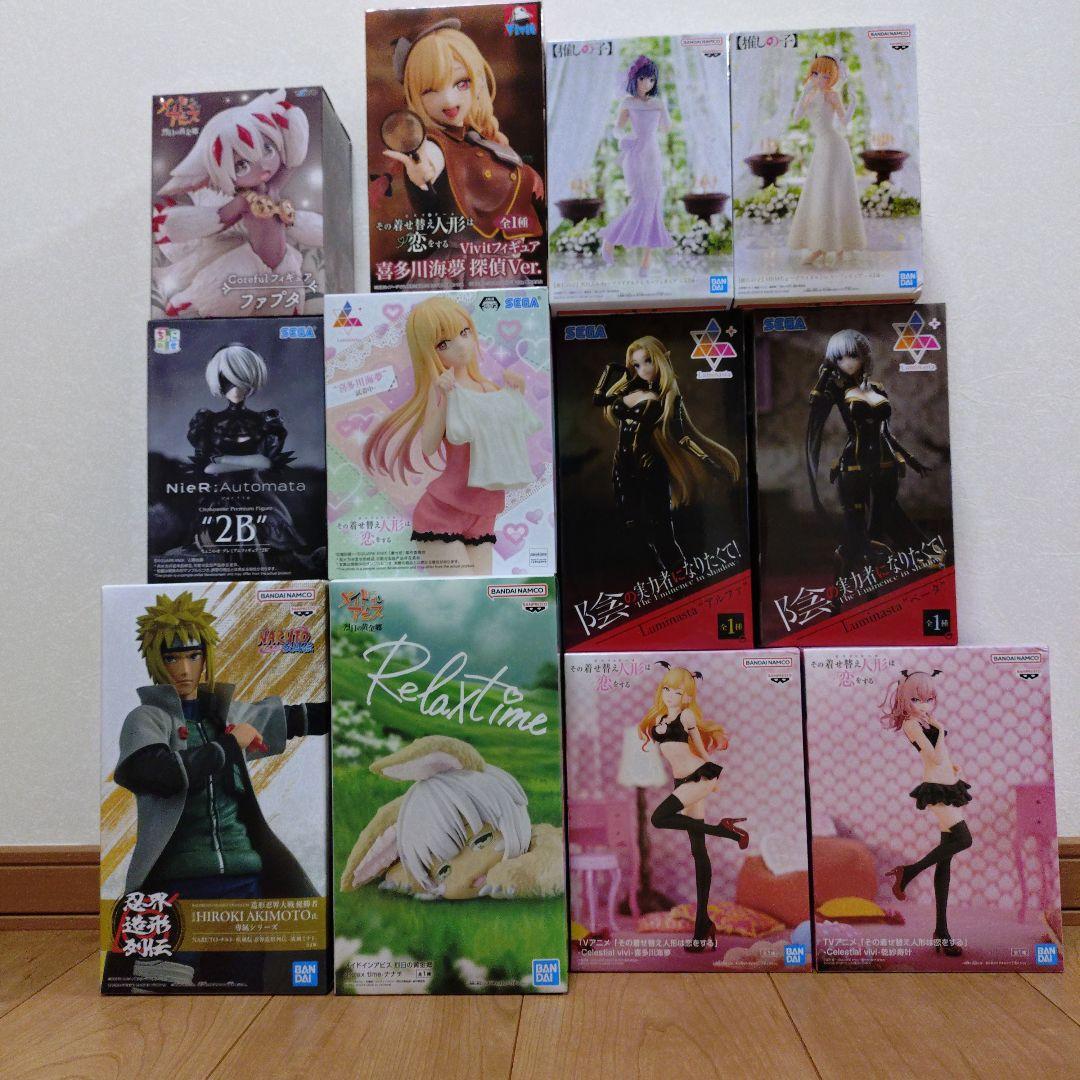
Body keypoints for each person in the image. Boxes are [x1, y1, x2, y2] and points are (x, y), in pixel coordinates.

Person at [104, 591, 328, 991]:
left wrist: (361, 703)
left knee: (241, 986)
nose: (184, 669)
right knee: (162, 990)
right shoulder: (146, 720)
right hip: (176, 887)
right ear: (155, 661)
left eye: (193, 656)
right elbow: (161, 773)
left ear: (205, 657)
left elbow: (295, 718)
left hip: (242, 881)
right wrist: (228, 746)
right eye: (172, 658)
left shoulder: (222, 717)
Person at [363, 296, 538, 575]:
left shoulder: (490, 388)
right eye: (443, 344)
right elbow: (429, 446)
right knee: (459, 593)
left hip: (485, 509)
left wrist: (518, 394)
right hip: (443, 509)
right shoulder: (442, 391)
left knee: (480, 593)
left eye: (464, 332)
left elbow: (512, 439)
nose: (461, 345)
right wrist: (445, 398)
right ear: (429, 352)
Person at [380, 20, 544, 259]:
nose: (449, 100)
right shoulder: (434, 143)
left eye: (461, 83)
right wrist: (423, 177)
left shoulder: (477, 138)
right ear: (415, 96)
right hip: (465, 263)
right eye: (430, 90)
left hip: (501, 263)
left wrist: (528, 176)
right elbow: (432, 160)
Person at [152, 89, 322, 317]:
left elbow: (291, 164)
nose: (262, 166)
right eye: (242, 166)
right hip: (249, 265)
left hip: (283, 263)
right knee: (219, 292)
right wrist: (177, 224)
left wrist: (294, 128)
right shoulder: (243, 201)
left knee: (289, 308)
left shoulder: (273, 189)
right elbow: (220, 218)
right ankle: (188, 300)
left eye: (268, 149)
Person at [593, 335, 739, 571]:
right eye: (636, 364)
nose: (643, 369)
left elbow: (682, 437)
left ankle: (678, 574)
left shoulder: (669, 397)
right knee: (630, 523)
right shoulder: (629, 389)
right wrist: (612, 369)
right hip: (622, 465)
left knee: (660, 526)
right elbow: (598, 398)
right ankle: (657, 575)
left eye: (648, 361)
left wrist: (708, 462)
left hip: (649, 466)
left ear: (660, 359)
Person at [640, 663, 749, 952]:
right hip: (682, 781)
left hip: (699, 775)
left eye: (677, 692)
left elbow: (699, 748)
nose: (670, 695)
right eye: (667, 688)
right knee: (698, 850)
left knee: (659, 818)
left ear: (687, 697)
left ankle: (724, 830)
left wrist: (713, 776)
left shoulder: (686, 715)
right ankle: (703, 925)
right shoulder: (658, 719)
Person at [806, 328, 934, 572]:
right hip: (854, 463)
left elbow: (886, 432)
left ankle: (879, 566)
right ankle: (852, 570)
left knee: (883, 518)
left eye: (853, 355)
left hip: (885, 461)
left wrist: (911, 459)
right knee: (855, 523)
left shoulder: (878, 387)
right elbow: (815, 403)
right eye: (839, 358)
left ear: (864, 357)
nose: (847, 362)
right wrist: (824, 374)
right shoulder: (836, 390)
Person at [882, 670, 972, 957]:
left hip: (948, 784)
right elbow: (932, 756)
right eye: (917, 699)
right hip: (936, 789)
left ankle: (941, 932)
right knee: (964, 839)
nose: (924, 704)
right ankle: (908, 872)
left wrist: (954, 768)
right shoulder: (911, 724)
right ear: (906, 700)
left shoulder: (925, 720)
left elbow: (942, 758)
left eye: (929, 699)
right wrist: (941, 731)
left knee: (946, 858)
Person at [786, 55, 867, 267]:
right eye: (816, 73)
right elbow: (796, 117)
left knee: (831, 192)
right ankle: (823, 245)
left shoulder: (832, 95)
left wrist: (853, 104)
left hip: (834, 145)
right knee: (820, 192)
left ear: (832, 77)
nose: (820, 78)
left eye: (826, 75)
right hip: (822, 147)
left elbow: (844, 121)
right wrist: (804, 92)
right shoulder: (810, 95)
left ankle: (828, 247)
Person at [600, 55, 673, 274]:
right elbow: (617, 128)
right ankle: (609, 240)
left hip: (653, 156)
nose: (646, 84)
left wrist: (664, 111)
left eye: (651, 79)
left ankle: (646, 261)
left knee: (654, 203)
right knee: (640, 200)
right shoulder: (628, 102)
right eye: (642, 79)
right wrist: (624, 137)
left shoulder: (657, 103)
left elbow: (666, 129)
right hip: (634, 154)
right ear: (634, 79)